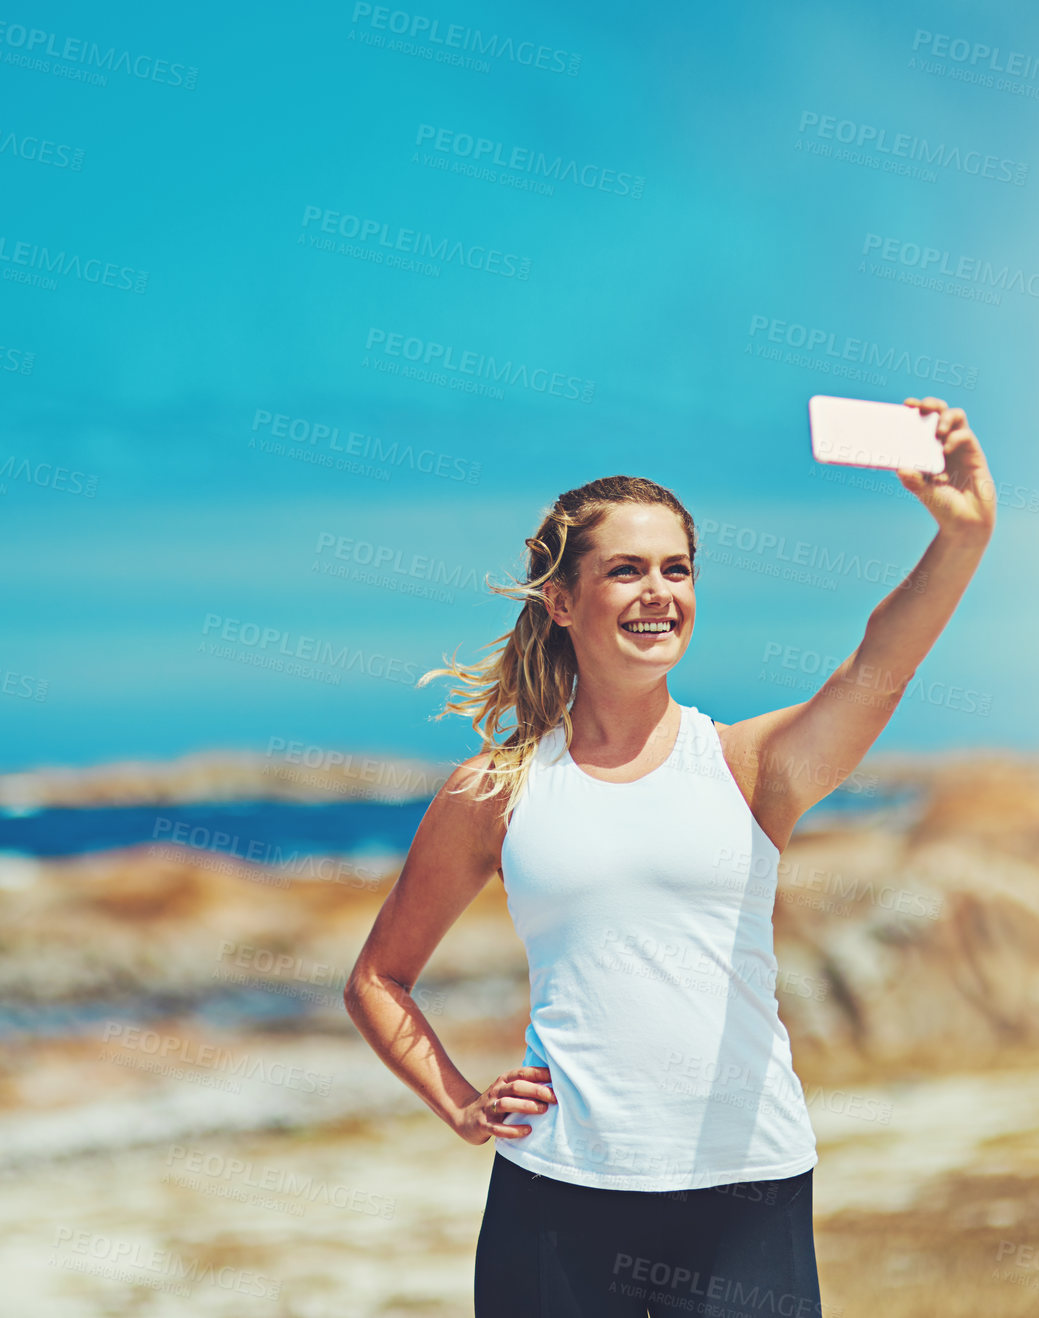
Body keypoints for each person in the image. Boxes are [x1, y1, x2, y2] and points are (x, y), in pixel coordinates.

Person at [344, 395, 995, 1315]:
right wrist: (457, 1101)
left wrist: (960, 540)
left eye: (676, 569)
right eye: (626, 571)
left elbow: (874, 667)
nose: (659, 592)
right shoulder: (495, 790)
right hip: (556, 1202)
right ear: (563, 602)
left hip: (745, 1193)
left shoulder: (750, 765)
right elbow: (377, 977)